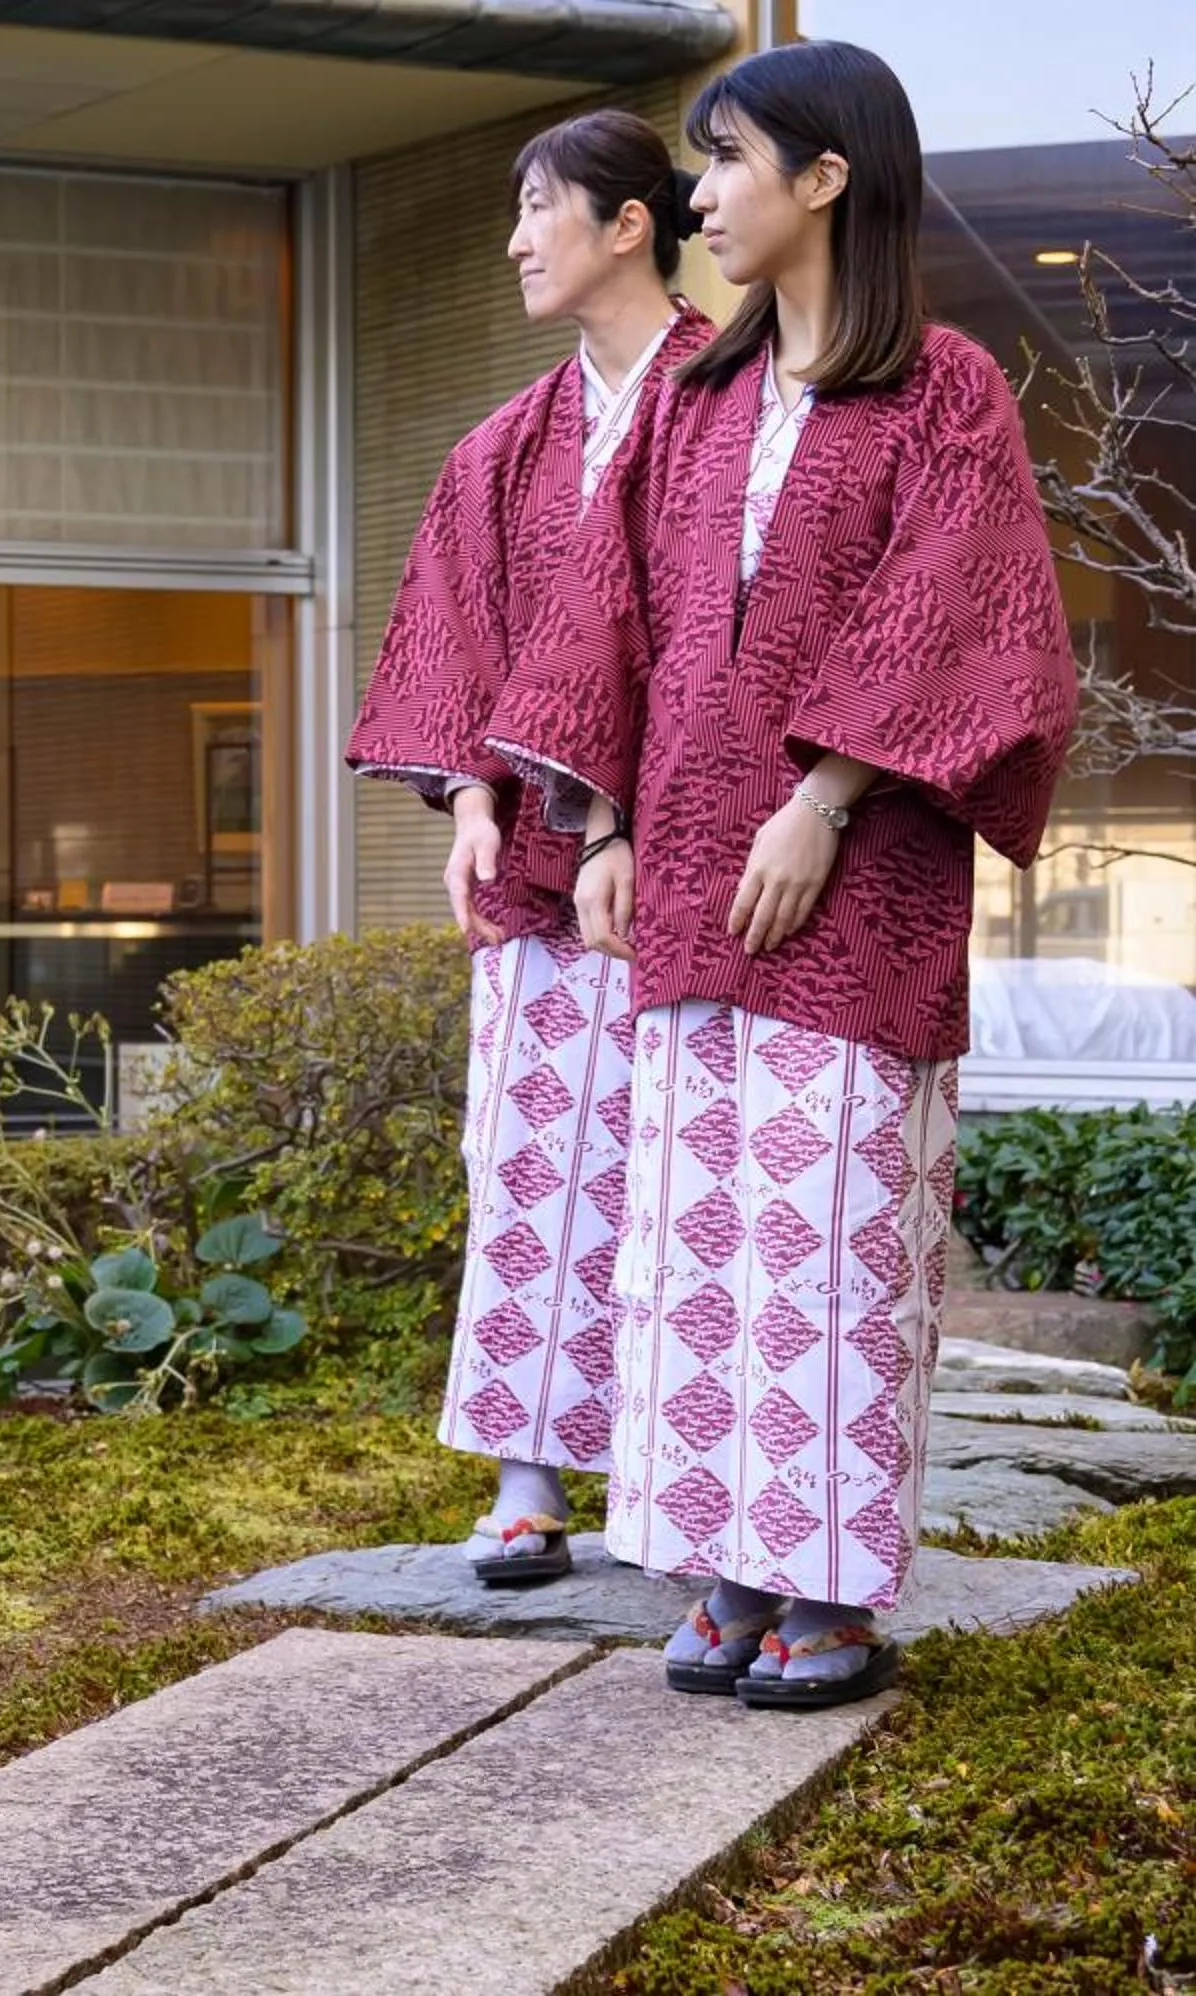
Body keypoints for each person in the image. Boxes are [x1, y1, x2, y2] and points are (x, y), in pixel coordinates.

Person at [487, 40, 1077, 1709]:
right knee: (696, 1246)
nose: (699, 195)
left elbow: (967, 615)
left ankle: (829, 1588)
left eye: (727, 160)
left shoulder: (945, 386)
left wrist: (825, 797)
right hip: (679, 873)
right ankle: (728, 1571)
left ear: (826, 178)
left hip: (860, 896)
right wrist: (593, 829)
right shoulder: (694, 397)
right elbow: (603, 618)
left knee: (828, 1242)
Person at [347, 109, 710, 1591]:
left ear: (630, 222)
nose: (513, 238)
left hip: (703, 866)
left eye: (541, 207)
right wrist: (478, 800)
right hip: (543, 874)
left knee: (687, 1178)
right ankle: (527, 1476)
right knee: (532, 1163)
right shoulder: (504, 447)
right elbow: (457, 631)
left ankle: (686, 1485)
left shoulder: (737, 405)